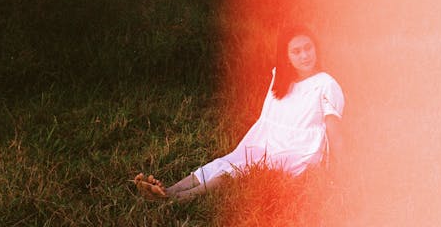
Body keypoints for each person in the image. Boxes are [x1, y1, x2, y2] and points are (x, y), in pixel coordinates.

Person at [134, 25, 345, 201]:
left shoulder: (326, 84)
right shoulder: (281, 78)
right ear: (287, 56)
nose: (305, 55)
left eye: (308, 48)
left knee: (238, 171)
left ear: (316, 48)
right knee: (225, 162)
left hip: (299, 152)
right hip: (270, 141)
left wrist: (340, 175)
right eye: (296, 51)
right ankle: (169, 190)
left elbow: (334, 133)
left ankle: (174, 200)